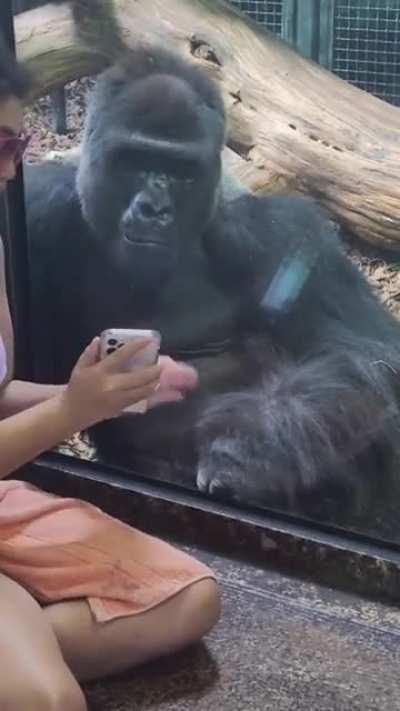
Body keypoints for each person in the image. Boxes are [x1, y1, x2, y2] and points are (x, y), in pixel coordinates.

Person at [0, 36, 220, 711]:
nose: (11, 171)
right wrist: (71, 413)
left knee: (191, 599)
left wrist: (98, 395)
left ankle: (19, 640)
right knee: (50, 701)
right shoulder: (42, 215)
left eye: (18, 146)